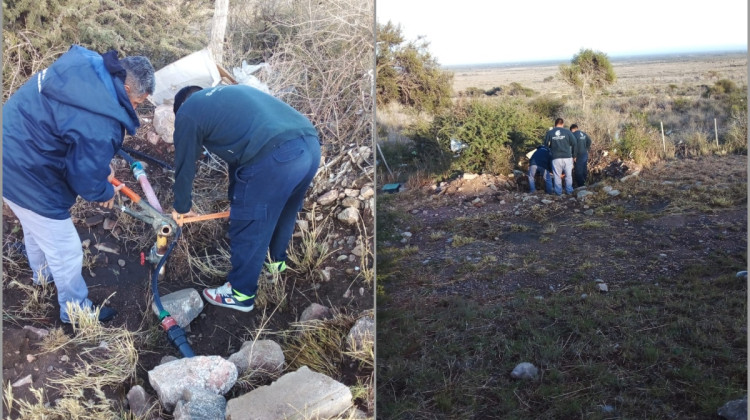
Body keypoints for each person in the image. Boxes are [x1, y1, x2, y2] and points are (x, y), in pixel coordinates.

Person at [2, 45, 155, 324]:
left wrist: (100, 165)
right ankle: (75, 311)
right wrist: (104, 190)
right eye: (140, 102)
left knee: (34, 227)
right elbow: (84, 178)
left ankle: (43, 277)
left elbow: (72, 136)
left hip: (10, 150)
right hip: (28, 174)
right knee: (66, 249)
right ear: (133, 92)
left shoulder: (87, 65)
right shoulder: (101, 122)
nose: (137, 108)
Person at [170, 84, 321, 312]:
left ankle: (240, 293)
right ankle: (276, 264)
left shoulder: (188, 112)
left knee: (250, 222)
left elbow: (184, 164)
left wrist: (181, 206)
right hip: (309, 145)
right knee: (284, 211)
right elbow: (239, 161)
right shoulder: (228, 98)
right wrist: (237, 199)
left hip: (276, 156)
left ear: (180, 107)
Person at [543, 118, 578, 195]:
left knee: (557, 176)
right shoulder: (568, 132)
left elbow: (545, 145)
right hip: (567, 157)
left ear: (555, 124)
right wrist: (574, 155)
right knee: (568, 175)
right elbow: (574, 143)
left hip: (556, 158)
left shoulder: (550, 133)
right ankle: (569, 191)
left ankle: (558, 193)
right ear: (563, 124)